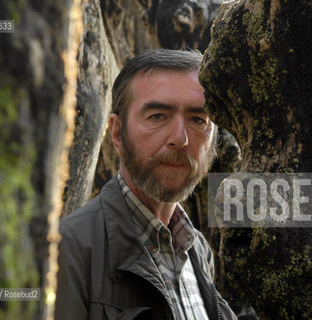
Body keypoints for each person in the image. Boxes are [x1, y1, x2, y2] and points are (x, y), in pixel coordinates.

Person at [55, 49, 237, 320]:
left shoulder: (197, 249)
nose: (180, 138)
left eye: (198, 119)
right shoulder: (66, 250)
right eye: (157, 116)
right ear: (117, 133)